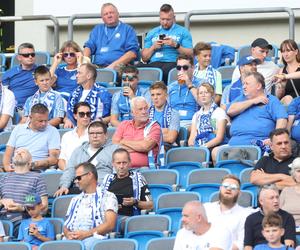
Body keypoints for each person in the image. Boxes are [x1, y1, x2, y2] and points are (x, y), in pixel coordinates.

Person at [55, 120, 118, 196]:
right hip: (80, 188)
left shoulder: (115, 150)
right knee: (62, 193)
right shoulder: (79, 151)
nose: (95, 136)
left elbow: (117, 173)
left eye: (98, 133)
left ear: (106, 135)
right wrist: (64, 186)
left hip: (104, 189)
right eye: (91, 133)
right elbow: (70, 170)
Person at [63, 162, 118, 250]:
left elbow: (110, 224)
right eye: (75, 179)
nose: (76, 181)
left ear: (89, 175)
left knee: (88, 245)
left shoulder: (108, 196)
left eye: (79, 178)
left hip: (95, 238)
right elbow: (66, 225)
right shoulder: (75, 199)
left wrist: (86, 234)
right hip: (73, 239)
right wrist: (67, 234)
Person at [226, 71, 287, 146]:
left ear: (258, 86)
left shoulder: (271, 100)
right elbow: (230, 111)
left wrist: (274, 138)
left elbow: (282, 119)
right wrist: (253, 101)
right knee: (215, 152)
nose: (243, 87)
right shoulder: (240, 98)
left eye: (247, 84)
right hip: (234, 144)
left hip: (259, 145)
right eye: (243, 84)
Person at [101, 148, 153, 230]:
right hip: (108, 218)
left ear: (129, 163)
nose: (121, 166)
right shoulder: (107, 180)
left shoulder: (138, 179)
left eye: (124, 163)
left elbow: (150, 205)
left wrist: (135, 202)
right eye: (118, 163)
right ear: (113, 164)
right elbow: (99, 204)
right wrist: (112, 206)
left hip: (128, 219)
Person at [140, 4, 193, 83]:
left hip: (172, 63)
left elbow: (190, 54)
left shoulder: (183, 31)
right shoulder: (152, 32)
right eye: (162, 19)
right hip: (154, 63)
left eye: (168, 19)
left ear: (174, 18)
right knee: (136, 69)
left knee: (167, 70)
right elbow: (144, 58)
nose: (165, 22)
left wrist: (176, 45)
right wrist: (153, 47)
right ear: (159, 18)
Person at [0, 149, 48, 236]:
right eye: (17, 152)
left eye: (23, 152)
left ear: (30, 161)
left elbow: (43, 207)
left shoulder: (36, 178)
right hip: (2, 219)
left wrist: (23, 208)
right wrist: (1, 202)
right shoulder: (4, 178)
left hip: (23, 219)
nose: (19, 152)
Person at [3, 104, 60, 172]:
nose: (44, 124)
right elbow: (8, 152)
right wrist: (7, 166)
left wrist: (34, 165)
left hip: (37, 169)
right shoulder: (18, 129)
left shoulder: (52, 131)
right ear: (30, 117)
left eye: (46, 120)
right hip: (16, 167)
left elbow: (54, 159)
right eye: (40, 121)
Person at [204, 174, 255, 250]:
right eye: (225, 186)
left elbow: (241, 243)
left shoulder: (245, 214)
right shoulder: (206, 208)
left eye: (233, 187)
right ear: (220, 188)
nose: (228, 189)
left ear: (239, 193)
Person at [83, 3, 139, 70]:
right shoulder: (97, 29)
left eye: (111, 12)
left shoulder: (128, 29)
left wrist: (111, 67)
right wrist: (85, 61)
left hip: (120, 67)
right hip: (98, 67)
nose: (109, 15)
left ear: (118, 14)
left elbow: (132, 53)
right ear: (102, 17)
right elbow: (88, 46)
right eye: (106, 14)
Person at [112, 96, 161, 169]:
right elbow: (115, 146)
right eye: (140, 109)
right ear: (132, 112)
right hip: (121, 169)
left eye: (145, 108)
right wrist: (139, 146)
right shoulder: (124, 124)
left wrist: (123, 141)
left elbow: (145, 146)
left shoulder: (154, 126)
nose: (144, 112)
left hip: (145, 169)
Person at [244, 184, 296, 249]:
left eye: (277, 197)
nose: (276, 201)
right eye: (272, 198)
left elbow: (289, 243)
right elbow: (248, 246)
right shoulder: (251, 219)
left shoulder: (287, 217)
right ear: (261, 201)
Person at [64, 63, 112, 128]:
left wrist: (101, 121)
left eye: (79, 73)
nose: (76, 76)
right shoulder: (74, 93)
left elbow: (113, 116)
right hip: (75, 129)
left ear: (88, 76)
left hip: (96, 129)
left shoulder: (103, 93)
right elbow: (68, 114)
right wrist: (67, 120)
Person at [188, 83, 227, 149]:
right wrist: (192, 147)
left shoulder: (219, 112)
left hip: (214, 146)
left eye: (206, 92)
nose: (203, 95)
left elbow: (219, 138)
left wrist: (203, 147)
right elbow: (192, 137)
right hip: (198, 147)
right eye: (200, 93)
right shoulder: (196, 115)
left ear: (212, 95)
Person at [2, 42, 38, 109]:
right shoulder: (10, 73)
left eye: (32, 54)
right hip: (11, 107)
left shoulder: (41, 71)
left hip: (31, 109)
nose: (30, 57)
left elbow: (50, 82)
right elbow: (3, 92)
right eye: (26, 55)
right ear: (19, 57)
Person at [168, 54, 199, 128]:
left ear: (193, 68)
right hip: (173, 122)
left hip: (192, 122)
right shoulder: (171, 86)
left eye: (185, 67)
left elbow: (202, 102)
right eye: (179, 68)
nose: (181, 71)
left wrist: (189, 84)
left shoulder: (201, 84)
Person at [58, 102, 90, 171]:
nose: (85, 116)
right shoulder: (66, 136)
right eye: (82, 114)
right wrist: (68, 173)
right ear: (75, 116)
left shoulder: (94, 135)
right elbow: (61, 160)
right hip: (68, 173)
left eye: (88, 114)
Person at [149, 81, 180, 146]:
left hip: (165, 147)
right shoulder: (146, 112)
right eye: (152, 95)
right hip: (147, 145)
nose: (155, 97)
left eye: (158, 94)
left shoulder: (174, 113)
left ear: (166, 96)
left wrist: (150, 133)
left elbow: (171, 138)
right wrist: (164, 131)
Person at [275, 39, 300, 105]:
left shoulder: (283, 75)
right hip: (287, 104)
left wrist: (285, 76)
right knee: (288, 98)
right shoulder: (281, 71)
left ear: (296, 52)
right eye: (283, 51)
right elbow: (278, 97)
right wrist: (282, 87)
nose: (285, 54)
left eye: (288, 51)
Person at [280, 157, 300, 229]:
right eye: (299, 171)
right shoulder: (286, 191)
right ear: (293, 173)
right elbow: (278, 213)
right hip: (287, 230)